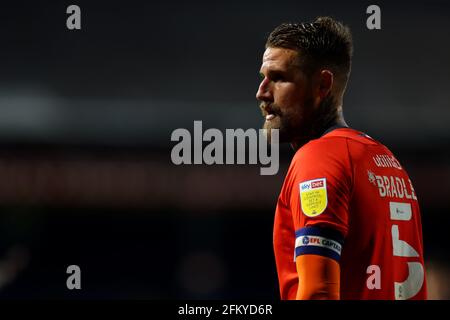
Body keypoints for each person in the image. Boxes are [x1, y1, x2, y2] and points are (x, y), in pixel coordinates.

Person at [256, 16, 427, 300]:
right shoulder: (388, 163)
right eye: (263, 78)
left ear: (322, 85)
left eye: (279, 78)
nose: (261, 92)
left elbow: (317, 293)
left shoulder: (318, 160)